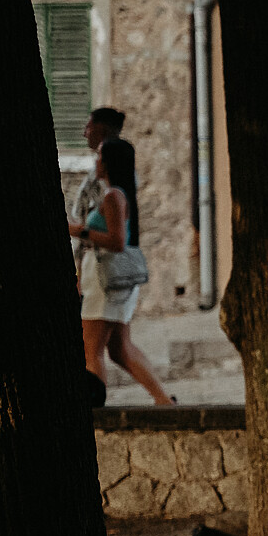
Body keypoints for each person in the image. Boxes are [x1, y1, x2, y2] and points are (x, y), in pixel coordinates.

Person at [70, 136, 173, 405]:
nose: (96, 161)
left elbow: (117, 241)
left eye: (101, 156)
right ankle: (163, 400)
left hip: (104, 278)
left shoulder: (113, 196)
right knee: (119, 348)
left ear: (109, 163)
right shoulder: (117, 194)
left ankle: (93, 405)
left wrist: (77, 230)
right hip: (105, 277)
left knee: (89, 348)